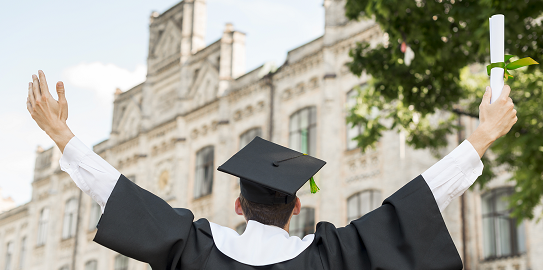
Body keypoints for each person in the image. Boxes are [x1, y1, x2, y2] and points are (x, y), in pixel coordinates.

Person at [26, 70, 517, 269]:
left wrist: (63, 137)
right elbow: (414, 204)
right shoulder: (330, 258)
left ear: (238, 205)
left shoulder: (194, 250)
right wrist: (482, 136)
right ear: (296, 206)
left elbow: (118, 195)